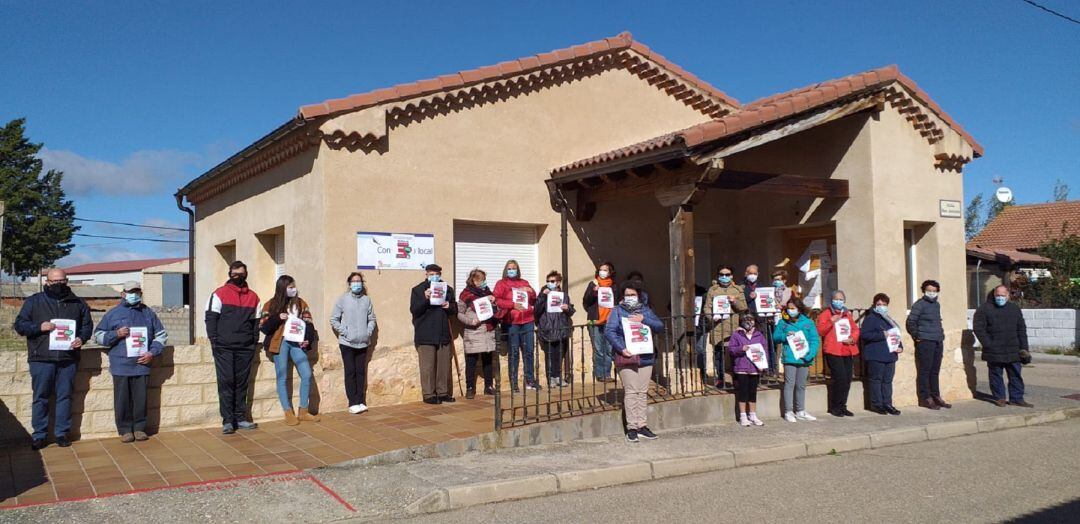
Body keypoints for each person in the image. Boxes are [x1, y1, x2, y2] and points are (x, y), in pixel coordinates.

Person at [14, 269, 93, 449]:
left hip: (68, 359)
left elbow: (87, 327)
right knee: (40, 397)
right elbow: (20, 325)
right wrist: (39, 327)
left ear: (67, 281)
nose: (58, 284)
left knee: (65, 397)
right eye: (54, 281)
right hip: (41, 359)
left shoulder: (78, 303)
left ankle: (62, 433)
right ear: (47, 282)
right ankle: (39, 435)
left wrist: (81, 338)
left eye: (61, 281)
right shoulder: (34, 301)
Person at [93, 281, 167, 442]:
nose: (134, 295)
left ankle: (140, 428)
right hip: (120, 366)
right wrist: (116, 334)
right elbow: (98, 336)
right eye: (130, 292)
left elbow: (161, 336)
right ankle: (125, 430)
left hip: (142, 365)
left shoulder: (148, 313)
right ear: (123, 294)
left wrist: (152, 353)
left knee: (141, 399)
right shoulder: (112, 314)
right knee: (122, 400)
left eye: (137, 292)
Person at [605, 281, 665, 442]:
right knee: (631, 391)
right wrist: (621, 348)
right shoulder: (617, 311)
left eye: (633, 294)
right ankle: (632, 427)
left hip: (645, 356)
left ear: (639, 296)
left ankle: (642, 426)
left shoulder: (645, 310)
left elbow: (659, 326)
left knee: (642, 392)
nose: (630, 297)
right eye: (627, 295)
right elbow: (610, 331)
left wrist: (644, 319)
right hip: (627, 356)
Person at [206, 261, 261, 434]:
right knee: (227, 382)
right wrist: (214, 341)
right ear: (230, 274)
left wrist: (253, 343)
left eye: (241, 273)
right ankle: (228, 420)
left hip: (245, 348)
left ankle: (241, 417)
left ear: (246, 274)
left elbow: (256, 322)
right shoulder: (219, 294)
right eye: (234, 273)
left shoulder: (254, 297)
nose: (238, 276)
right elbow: (210, 318)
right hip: (224, 347)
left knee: (242, 383)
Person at [259, 275, 318, 426]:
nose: (293, 289)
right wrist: (278, 317)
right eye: (290, 287)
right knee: (282, 376)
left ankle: (303, 410)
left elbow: (309, 324)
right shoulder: (269, 305)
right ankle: (288, 412)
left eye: (294, 286)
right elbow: (264, 327)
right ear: (282, 288)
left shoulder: (300, 303)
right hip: (279, 343)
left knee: (306, 373)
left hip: (297, 343)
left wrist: (308, 339)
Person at [973, 285, 1032, 408]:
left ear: (1008, 295)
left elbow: (1021, 329)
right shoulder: (984, 309)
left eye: (1003, 295)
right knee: (995, 375)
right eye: (997, 295)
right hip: (994, 350)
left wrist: (1024, 348)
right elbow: (979, 329)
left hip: (1014, 350)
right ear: (994, 295)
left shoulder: (1014, 309)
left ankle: (1016, 398)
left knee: (1015, 375)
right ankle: (999, 397)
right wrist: (989, 344)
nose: (1000, 298)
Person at [330, 272, 377, 414]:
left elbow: (372, 319)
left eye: (359, 281)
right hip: (347, 343)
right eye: (354, 281)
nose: (357, 283)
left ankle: (361, 401)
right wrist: (345, 332)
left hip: (363, 342)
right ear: (349, 284)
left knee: (361, 372)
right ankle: (352, 402)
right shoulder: (342, 300)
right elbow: (334, 319)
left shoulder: (366, 300)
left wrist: (368, 332)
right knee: (350, 372)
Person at [411, 264, 457, 404]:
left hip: (443, 333)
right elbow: (414, 310)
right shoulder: (418, 290)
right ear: (426, 274)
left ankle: (443, 392)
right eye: (431, 274)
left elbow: (454, 308)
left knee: (443, 366)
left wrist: (449, 306)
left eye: (436, 273)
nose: (434, 276)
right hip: (425, 333)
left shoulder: (447, 289)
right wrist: (425, 299)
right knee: (428, 366)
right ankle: (429, 394)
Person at [493, 260, 539, 392]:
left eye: (514, 268)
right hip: (512, 322)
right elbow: (497, 300)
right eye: (509, 268)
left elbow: (533, 298)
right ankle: (514, 383)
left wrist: (530, 290)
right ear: (506, 270)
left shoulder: (524, 282)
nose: (511, 270)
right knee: (514, 353)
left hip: (528, 321)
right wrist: (512, 305)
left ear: (518, 269)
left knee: (529, 351)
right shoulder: (501, 283)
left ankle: (530, 380)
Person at [773, 296, 819, 422]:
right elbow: (775, 337)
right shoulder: (783, 322)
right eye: (788, 308)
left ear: (799, 309)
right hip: (790, 358)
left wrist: (809, 355)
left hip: (804, 358)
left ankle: (800, 411)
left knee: (801, 385)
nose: (790, 311)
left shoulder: (808, 322)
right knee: (789, 384)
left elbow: (814, 340)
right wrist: (784, 336)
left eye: (793, 308)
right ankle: (788, 411)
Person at [907, 279, 950, 410]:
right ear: (924, 291)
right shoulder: (919, 304)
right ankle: (925, 398)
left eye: (934, 291)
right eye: (929, 290)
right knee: (925, 370)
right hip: (925, 341)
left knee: (935, 371)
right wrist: (918, 337)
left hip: (937, 340)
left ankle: (935, 395)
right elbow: (910, 322)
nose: (931, 293)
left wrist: (940, 335)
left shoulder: (936, 305)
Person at [702, 265, 748, 388]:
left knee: (735, 353)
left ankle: (735, 377)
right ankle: (721, 378)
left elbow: (743, 307)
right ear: (718, 276)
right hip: (718, 326)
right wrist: (712, 317)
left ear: (731, 276)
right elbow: (707, 307)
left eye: (727, 275)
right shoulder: (713, 290)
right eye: (722, 274)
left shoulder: (738, 289)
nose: (724, 277)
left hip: (734, 326)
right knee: (718, 354)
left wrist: (734, 301)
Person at [817, 290, 860, 417]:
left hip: (847, 349)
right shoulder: (826, 314)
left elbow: (855, 329)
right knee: (840, 378)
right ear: (832, 300)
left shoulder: (847, 314)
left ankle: (843, 405)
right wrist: (831, 321)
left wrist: (852, 338)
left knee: (847, 379)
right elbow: (820, 331)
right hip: (833, 350)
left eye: (841, 299)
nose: (838, 301)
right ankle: (835, 407)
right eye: (836, 299)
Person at [457, 269, 498, 398]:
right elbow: (459, 313)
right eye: (481, 280)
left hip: (487, 330)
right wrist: (471, 321)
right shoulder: (466, 294)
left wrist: (493, 301)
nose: (484, 282)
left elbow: (495, 310)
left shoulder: (487, 292)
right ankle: (470, 388)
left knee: (488, 361)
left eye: (484, 279)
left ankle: (489, 386)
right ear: (474, 281)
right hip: (473, 331)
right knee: (471, 361)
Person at [860, 293, 902, 415]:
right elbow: (864, 335)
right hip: (876, 355)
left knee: (887, 381)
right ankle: (877, 404)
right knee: (876, 380)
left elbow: (896, 334)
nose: (881, 306)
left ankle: (887, 403)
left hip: (890, 355)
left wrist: (900, 347)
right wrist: (881, 335)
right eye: (879, 304)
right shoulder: (870, 319)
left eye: (884, 304)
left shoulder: (889, 319)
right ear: (874, 305)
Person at [536, 270, 576, 388]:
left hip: (560, 329)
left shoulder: (564, 295)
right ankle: (551, 379)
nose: (550, 283)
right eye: (548, 281)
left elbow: (571, 311)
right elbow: (537, 310)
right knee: (549, 355)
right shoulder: (543, 294)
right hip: (547, 329)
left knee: (559, 355)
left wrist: (567, 308)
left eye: (552, 281)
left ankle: (558, 377)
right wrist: (543, 296)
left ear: (558, 282)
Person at [728, 313, 767, 427]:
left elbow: (764, 350)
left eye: (751, 319)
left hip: (755, 367)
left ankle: (753, 415)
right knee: (743, 392)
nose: (748, 322)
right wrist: (741, 348)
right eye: (745, 319)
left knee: (752, 392)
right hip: (742, 368)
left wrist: (763, 365)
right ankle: (743, 416)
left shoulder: (759, 335)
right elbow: (731, 350)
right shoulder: (736, 335)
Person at [583, 262, 616, 383]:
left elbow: (616, 302)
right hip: (595, 320)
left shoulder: (613, 286)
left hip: (609, 321)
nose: (603, 272)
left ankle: (607, 374)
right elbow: (586, 301)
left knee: (608, 348)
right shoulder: (593, 284)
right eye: (601, 270)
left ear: (610, 272)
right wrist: (594, 292)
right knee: (598, 348)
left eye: (605, 270)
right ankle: (600, 374)